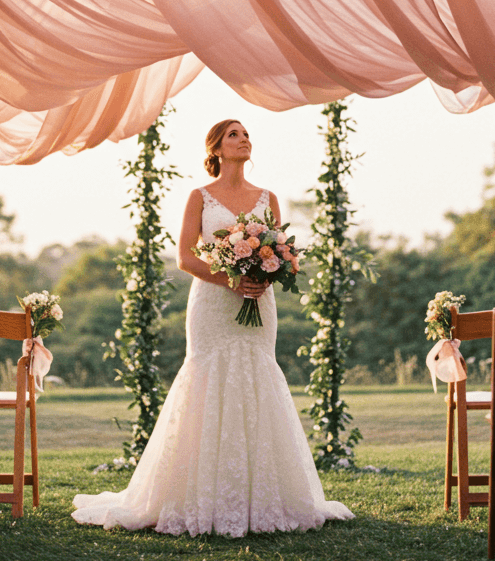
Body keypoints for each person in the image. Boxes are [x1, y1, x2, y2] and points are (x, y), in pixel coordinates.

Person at [72, 118, 354, 536]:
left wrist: (266, 273)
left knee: (258, 378)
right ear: (217, 148)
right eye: (234, 135)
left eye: (246, 134)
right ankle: (192, 494)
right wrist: (232, 280)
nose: (244, 139)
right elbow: (185, 257)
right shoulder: (199, 197)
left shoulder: (269, 198)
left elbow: (280, 251)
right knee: (207, 382)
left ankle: (263, 496)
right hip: (213, 303)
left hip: (260, 302)